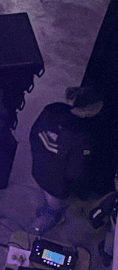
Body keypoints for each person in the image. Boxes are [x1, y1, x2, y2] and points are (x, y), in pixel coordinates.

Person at [28, 87, 106, 234]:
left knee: (45, 197)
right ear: (88, 112)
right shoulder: (83, 137)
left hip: (38, 170)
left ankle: (42, 211)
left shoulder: (52, 109)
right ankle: (31, 235)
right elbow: (75, 173)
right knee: (53, 212)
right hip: (58, 186)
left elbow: (33, 135)